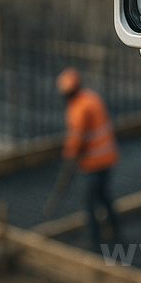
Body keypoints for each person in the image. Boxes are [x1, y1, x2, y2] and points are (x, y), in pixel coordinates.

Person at [49, 68, 120, 250]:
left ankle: (94, 242)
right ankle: (116, 231)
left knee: (90, 203)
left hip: (94, 163)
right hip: (108, 157)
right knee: (104, 197)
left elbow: (76, 140)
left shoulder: (79, 109)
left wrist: (69, 159)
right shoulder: (91, 97)